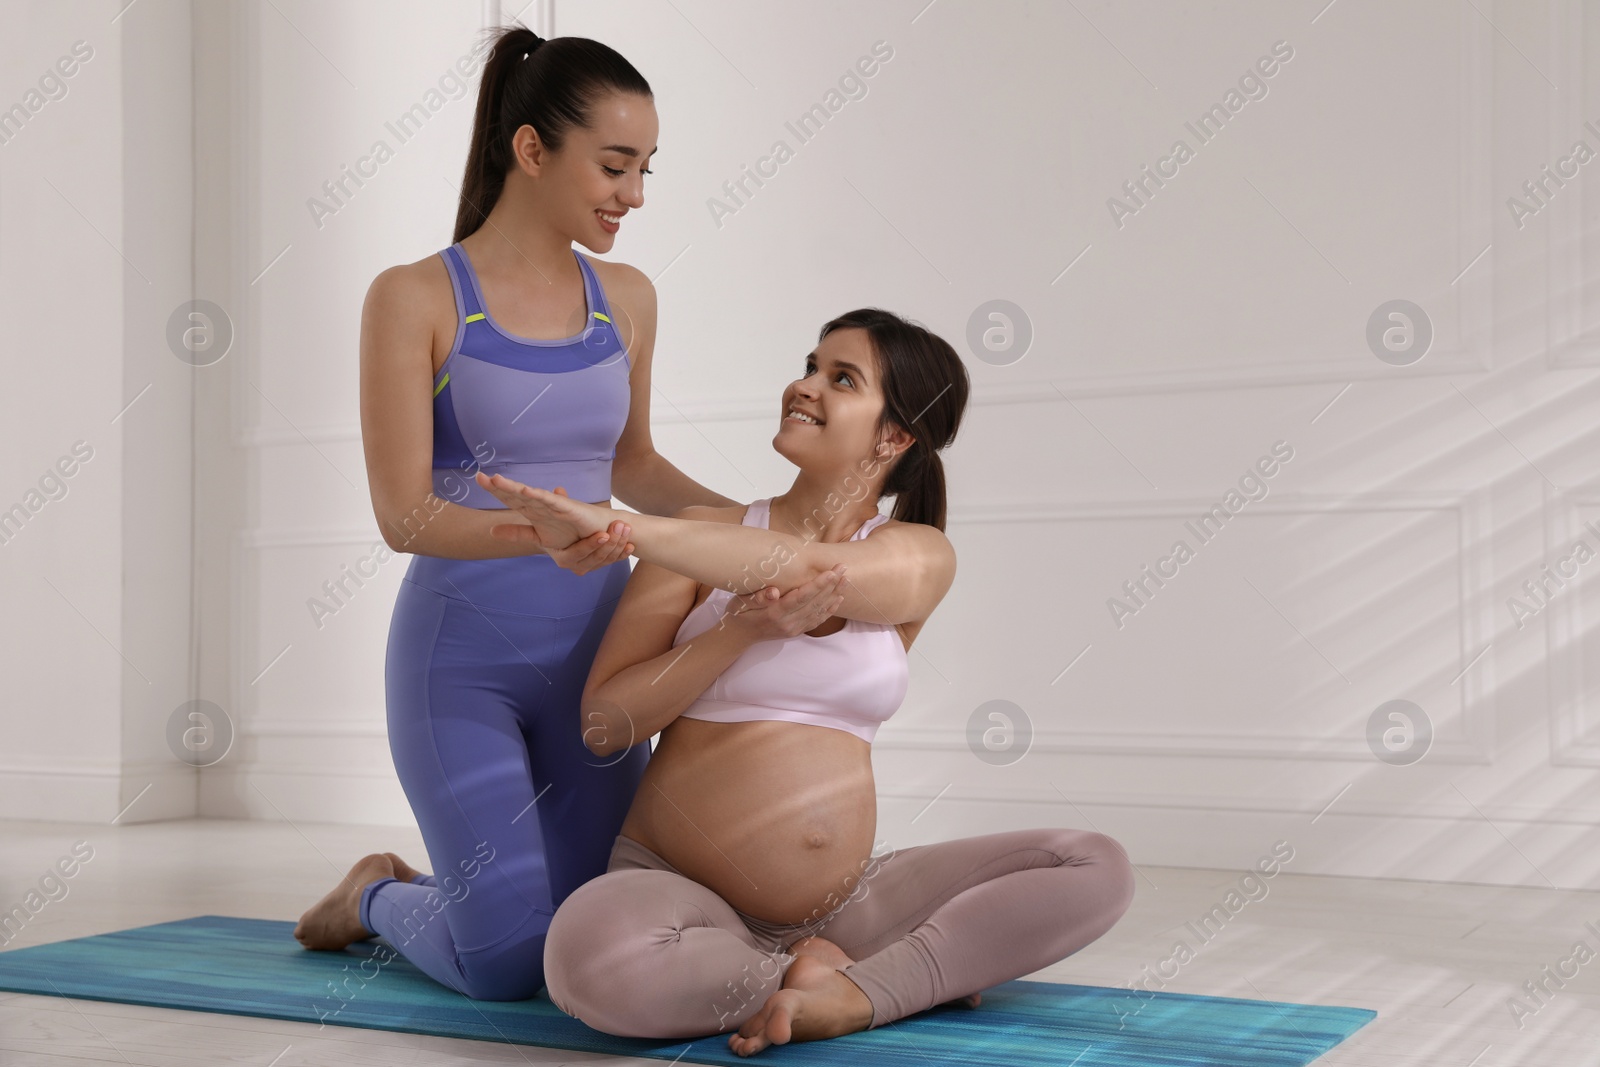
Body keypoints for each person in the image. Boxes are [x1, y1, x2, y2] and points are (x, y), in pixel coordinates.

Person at [478, 309, 1137, 1054]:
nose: (804, 385)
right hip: (680, 894)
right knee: (584, 955)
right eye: (810, 366)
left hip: (849, 904)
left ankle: (854, 993)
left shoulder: (916, 554)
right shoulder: (703, 531)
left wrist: (615, 527)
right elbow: (603, 726)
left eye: (841, 378)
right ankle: (843, 980)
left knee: (1094, 863)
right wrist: (740, 632)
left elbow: (815, 570)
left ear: (894, 437)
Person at [291, 26, 744, 1001]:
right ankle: (376, 894)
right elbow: (403, 515)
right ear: (532, 149)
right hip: (461, 666)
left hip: (599, 668)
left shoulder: (626, 299)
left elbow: (634, 465)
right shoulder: (414, 297)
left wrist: (748, 519)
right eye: (614, 166)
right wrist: (532, 529)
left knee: (590, 940)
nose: (633, 195)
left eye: (645, 169)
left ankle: (440, 897)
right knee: (505, 962)